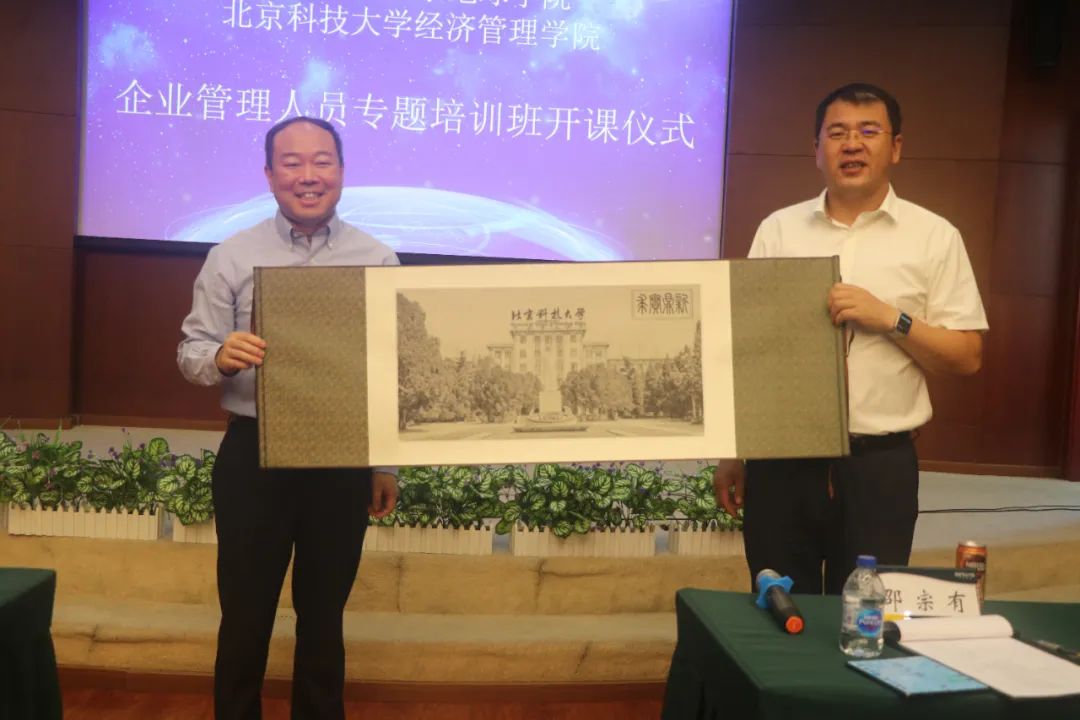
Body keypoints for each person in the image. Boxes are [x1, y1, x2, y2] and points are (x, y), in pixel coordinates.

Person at [714, 83, 988, 595]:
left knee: (863, 616)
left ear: (896, 147)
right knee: (780, 608)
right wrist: (734, 452)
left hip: (879, 466)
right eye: (837, 133)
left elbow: (967, 356)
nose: (852, 144)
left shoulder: (934, 236)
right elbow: (752, 349)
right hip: (782, 460)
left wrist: (891, 319)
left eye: (868, 131)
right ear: (816, 149)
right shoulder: (779, 229)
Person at [178, 116, 399, 719]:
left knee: (324, 617)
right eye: (292, 162)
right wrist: (220, 357)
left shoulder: (377, 259)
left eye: (322, 161)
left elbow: (391, 369)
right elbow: (191, 351)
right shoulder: (232, 255)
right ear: (270, 174)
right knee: (244, 614)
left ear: (342, 171)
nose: (308, 175)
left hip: (340, 458)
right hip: (254, 455)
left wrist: (384, 463)